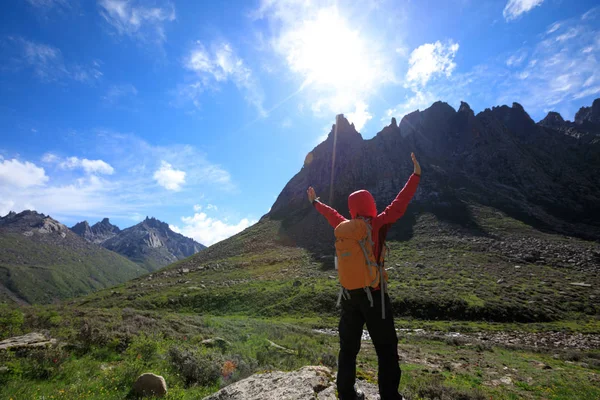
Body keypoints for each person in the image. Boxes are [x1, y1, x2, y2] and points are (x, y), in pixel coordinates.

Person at [307, 152, 421, 400]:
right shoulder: (377, 224)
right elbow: (399, 203)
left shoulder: (344, 227)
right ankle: (390, 396)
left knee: (348, 348)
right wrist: (415, 176)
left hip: (349, 296)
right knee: (386, 349)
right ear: (371, 205)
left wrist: (316, 203)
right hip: (375, 296)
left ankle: (346, 393)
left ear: (352, 209)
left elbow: (331, 215)